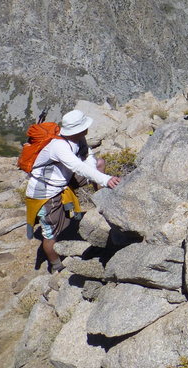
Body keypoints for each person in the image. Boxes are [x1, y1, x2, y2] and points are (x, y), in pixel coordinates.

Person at [25, 109, 120, 272]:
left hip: (64, 179)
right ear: (80, 129)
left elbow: (88, 156)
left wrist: (94, 172)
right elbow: (77, 166)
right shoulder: (58, 145)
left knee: (99, 164)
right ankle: (56, 266)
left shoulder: (78, 138)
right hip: (46, 192)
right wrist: (106, 179)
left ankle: (101, 204)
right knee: (50, 234)